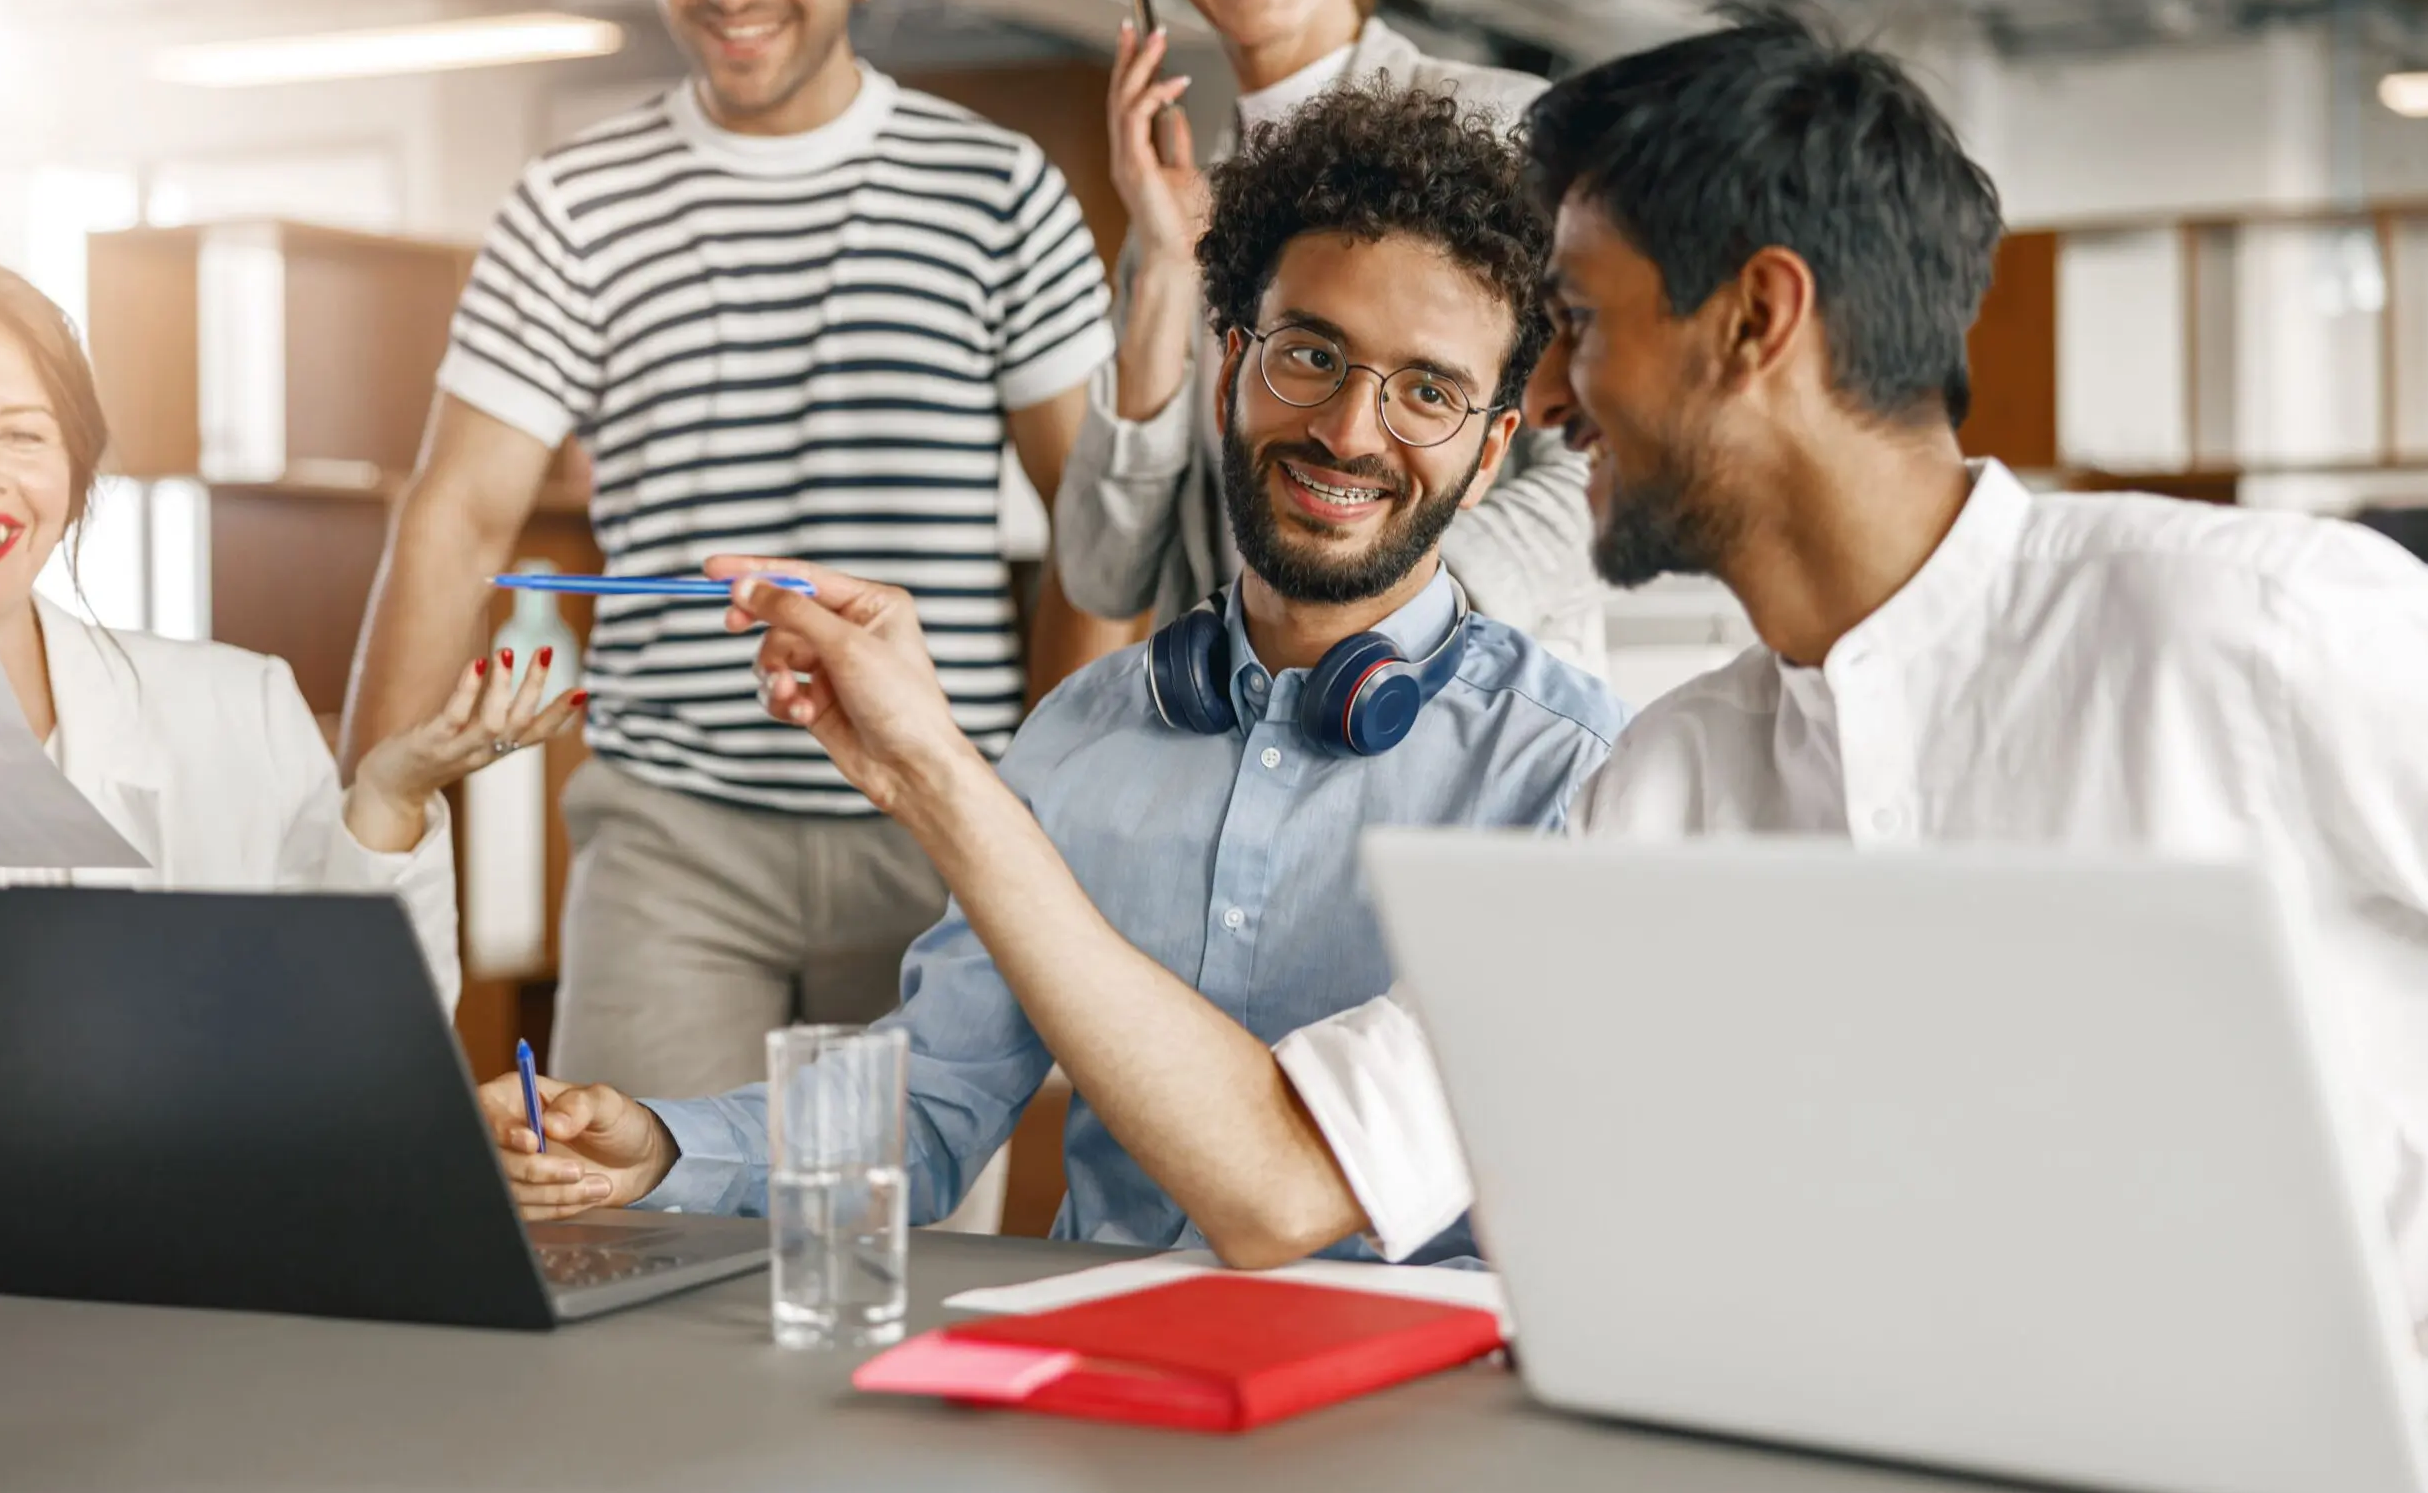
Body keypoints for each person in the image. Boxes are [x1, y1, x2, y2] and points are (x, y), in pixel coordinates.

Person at [985, 11, 2428, 1357]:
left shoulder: (2245, 625)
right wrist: (943, 770)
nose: (1538, 403)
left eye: (1578, 322)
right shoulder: (1677, 784)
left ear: (1755, 320)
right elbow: (1283, 1176)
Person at [475, 84, 1626, 1262]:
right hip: (1102, 1386)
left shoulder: (1573, 777)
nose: (1347, 429)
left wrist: (932, 771)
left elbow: (1316, 1187)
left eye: (1426, 391)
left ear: (1490, 454)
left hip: (1411, 1412)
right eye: (1310, 354)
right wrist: (663, 1146)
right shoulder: (1084, 736)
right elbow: (929, 1110)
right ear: (1229, 364)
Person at [338, 0, 1127, 1097]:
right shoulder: (571, 204)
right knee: (630, 1234)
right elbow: (455, 515)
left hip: (929, 815)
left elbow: (1099, 526)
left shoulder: (1000, 192)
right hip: (671, 832)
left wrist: (1031, 801)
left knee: (897, 1257)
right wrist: (358, 860)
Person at [0, 262, 577, 1014]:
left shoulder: (239, 710)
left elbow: (365, 1035)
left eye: (22, 433)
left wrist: (389, 799)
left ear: (77, 464)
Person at [1053, 0, 1608, 668]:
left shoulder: (1512, 135)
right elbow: (1105, 573)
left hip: (1464, 726)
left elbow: (1607, 470)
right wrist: (1169, 263)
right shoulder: (1172, 207)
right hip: (1239, 744)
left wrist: (1343, 637)